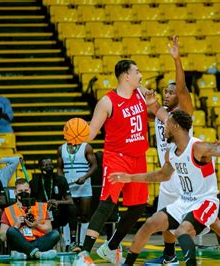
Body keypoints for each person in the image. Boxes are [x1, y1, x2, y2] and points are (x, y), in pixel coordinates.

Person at [108, 110, 220, 266]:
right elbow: (161, 175)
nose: (164, 128)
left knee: (183, 231)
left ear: (175, 126)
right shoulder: (171, 153)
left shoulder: (198, 147)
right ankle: (128, 264)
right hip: (184, 201)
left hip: (205, 201)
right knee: (150, 223)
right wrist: (130, 177)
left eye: (167, 124)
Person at [150, 36, 220, 264]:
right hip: (170, 171)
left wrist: (177, 60)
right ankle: (170, 257)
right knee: (178, 218)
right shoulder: (161, 112)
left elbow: (181, 88)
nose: (167, 94)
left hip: (185, 172)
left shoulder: (184, 111)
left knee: (203, 219)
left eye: (170, 92)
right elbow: (147, 98)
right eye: (165, 92)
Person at [74, 59, 156, 266]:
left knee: (138, 207)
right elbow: (92, 133)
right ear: (126, 75)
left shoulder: (140, 93)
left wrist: (152, 101)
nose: (140, 75)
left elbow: (151, 113)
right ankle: (83, 254)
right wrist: (77, 134)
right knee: (107, 204)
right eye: (137, 72)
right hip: (117, 158)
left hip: (139, 158)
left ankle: (110, 247)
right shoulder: (107, 102)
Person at [0, 178, 59, 260]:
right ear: (15, 192)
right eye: (20, 191)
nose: (23, 193)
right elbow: (2, 236)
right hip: (19, 243)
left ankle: (26, 254)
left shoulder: (41, 206)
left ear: (30, 190)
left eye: (26, 190)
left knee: (55, 234)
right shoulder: (9, 210)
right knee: (11, 230)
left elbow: (49, 229)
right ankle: (37, 254)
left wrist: (36, 225)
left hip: (38, 241)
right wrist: (16, 225)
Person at [57, 140, 98, 252]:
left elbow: (94, 165)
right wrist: (62, 181)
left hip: (84, 186)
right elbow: (59, 167)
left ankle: (82, 244)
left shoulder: (87, 147)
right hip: (68, 186)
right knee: (67, 217)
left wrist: (85, 177)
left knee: (85, 216)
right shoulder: (61, 148)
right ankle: (67, 243)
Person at [29, 158, 76, 251]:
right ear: (40, 168)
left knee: (72, 208)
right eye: (45, 165)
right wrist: (45, 204)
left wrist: (56, 202)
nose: (49, 167)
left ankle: (73, 242)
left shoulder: (60, 179)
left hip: (58, 212)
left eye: (50, 164)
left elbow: (70, 201)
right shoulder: (34, 181)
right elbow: (31, 202)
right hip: (41, 213)